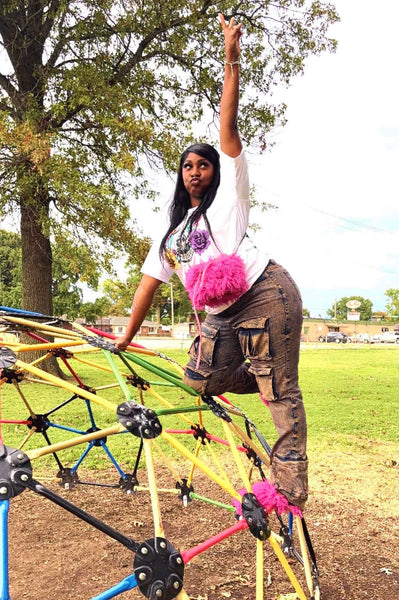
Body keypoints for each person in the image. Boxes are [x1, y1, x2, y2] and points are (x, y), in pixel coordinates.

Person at [115, 14, 308, 509]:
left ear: (215, 170)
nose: (196, 171)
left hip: (266, 293)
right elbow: (147, 287)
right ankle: (265, 369)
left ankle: (288, 492)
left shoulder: (229, 201)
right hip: (220, 316)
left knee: (281, 395)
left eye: (203, 164)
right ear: (179, 177)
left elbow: (227, 125)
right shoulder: (172, 238)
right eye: (187, 166)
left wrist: (231, 58)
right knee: (197, 379)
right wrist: (125, 338)